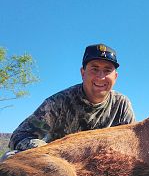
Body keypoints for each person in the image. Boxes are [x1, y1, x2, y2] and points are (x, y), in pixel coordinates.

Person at [2, 43, 135, 160]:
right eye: (94, 69)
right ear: (83, 73)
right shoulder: (58, 102)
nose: (101, 77)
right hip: (59, 169)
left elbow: (132, 145)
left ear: (115, 77)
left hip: (100, 172)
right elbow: (19, 136)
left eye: (107, 71)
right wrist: (52, 153)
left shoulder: (122, 105)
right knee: (10, 157)